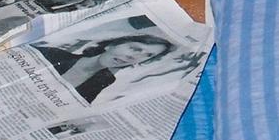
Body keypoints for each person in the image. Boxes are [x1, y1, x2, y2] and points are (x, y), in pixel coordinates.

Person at [33, 34, 174, 103]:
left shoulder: (104, 80)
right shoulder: (54, 54)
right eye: (135, 48)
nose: (134, 57)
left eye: (148, 55)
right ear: (111, 45)